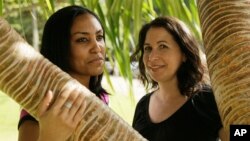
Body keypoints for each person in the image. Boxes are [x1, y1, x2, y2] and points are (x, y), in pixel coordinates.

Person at [18, 5, 109, 141]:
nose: (97, 47)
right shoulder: (43, 104)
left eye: (99, 37)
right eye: (82, 39)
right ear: (60, 46)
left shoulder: (101, 98)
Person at [131, 16, 227, 141]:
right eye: (148, 48)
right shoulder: (142, 106)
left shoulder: (207, 99)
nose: (152, 57)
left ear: (184, 54)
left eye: (163, 46)